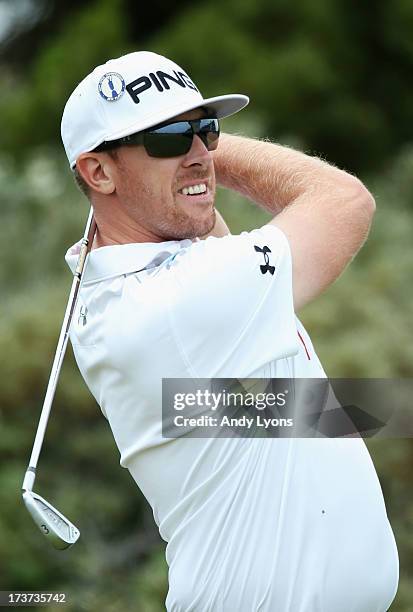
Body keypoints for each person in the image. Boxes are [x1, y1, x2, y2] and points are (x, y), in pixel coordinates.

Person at [62, 51, 399, 611]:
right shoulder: (174, 304)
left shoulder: (144, 278)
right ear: (98, 171)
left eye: (207, 130)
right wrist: (212, 152)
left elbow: (289, 418)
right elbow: (346, 201)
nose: (199, 153)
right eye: (169, 137)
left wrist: (178, 152)